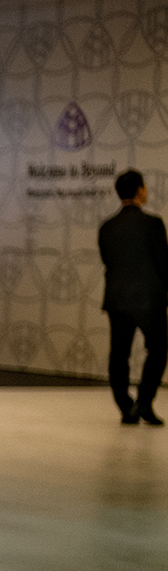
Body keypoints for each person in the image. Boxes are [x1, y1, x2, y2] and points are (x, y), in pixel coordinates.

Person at [98, 169, 168, 425]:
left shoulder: (107, 227)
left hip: (117, 299)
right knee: (158, 350)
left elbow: (107, 261)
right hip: (150, 298)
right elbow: (163, 264)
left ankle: (126, 406)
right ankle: (144, 402)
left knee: (119, 355)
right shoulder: (153, 224)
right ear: (140, 190)